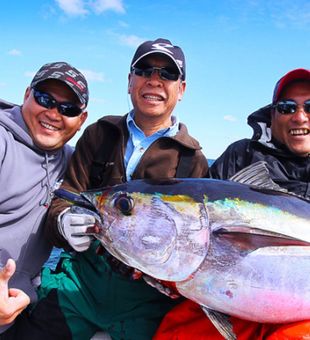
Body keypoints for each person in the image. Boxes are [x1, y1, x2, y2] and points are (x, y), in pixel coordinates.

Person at [19, 38, 209, 340]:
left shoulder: (192, 160)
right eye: (144, 70)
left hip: (145, 301)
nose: (154, 81)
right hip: (79, 284)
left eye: (167, 74)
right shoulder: (99, 133)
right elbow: (63, 198)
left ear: (181, 89)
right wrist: (63, 222)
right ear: (130, 81)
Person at [153, 68, 310, 339]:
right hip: (226, 298)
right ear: (272, 115)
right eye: (286, 107)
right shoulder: (242, 155)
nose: (299, 116)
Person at [0, 61, 88, 338]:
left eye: (68, 108)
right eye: (45, 99)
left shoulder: (71, 162)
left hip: (14, 316)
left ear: (81, 120)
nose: (53, 113)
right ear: (27, 95)